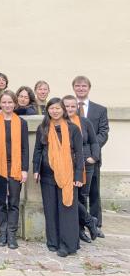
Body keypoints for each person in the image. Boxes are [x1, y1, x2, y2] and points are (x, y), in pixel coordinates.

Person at [33, 98, 84, 257]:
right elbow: (38, 150)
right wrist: (36, 169)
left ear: (63, 110)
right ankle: (53, 242)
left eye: (57, 108)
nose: (54, 111)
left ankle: (67, 244)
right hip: (47, 176)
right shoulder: (43, 128)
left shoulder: (73, 129)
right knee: (50, 209)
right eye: (51, 108)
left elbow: (79, 153)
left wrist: (78, 175)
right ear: (47, 110)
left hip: (68, 176)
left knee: (66, 209)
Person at [0, 90, 29, 249]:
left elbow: (25, 148)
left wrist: (24, 169)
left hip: (15, 167)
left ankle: (12, 235)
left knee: (13, 202)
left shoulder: (22, 123)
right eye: (4, 102)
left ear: (15, 104)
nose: (7, 105)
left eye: (10, 102)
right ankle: (2, 233)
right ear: (0, 103)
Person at [72, 75, 109, 239]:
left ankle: (96, 224)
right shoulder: (68, 108)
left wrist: (92, 154)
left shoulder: (100, 109)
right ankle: (81, 225)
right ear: (74, 88)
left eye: (84, 86)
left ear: (89, 88)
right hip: (73, 159)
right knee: (79, 194)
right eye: (78, 86)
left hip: (91, 159)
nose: (81, 89)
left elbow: (103, 133)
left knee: (93, 192)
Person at [62, 95, 100, 244]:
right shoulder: (59, 122)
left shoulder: (84, 122)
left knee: (82, 196)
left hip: (85, 164)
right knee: (71, 197)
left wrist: (94, 158)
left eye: (73, 106)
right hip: (67, 165)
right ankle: (90, 221)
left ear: (77, 107)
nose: (70, 109)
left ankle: (81, 231)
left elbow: (94, 142)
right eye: (67, 106)